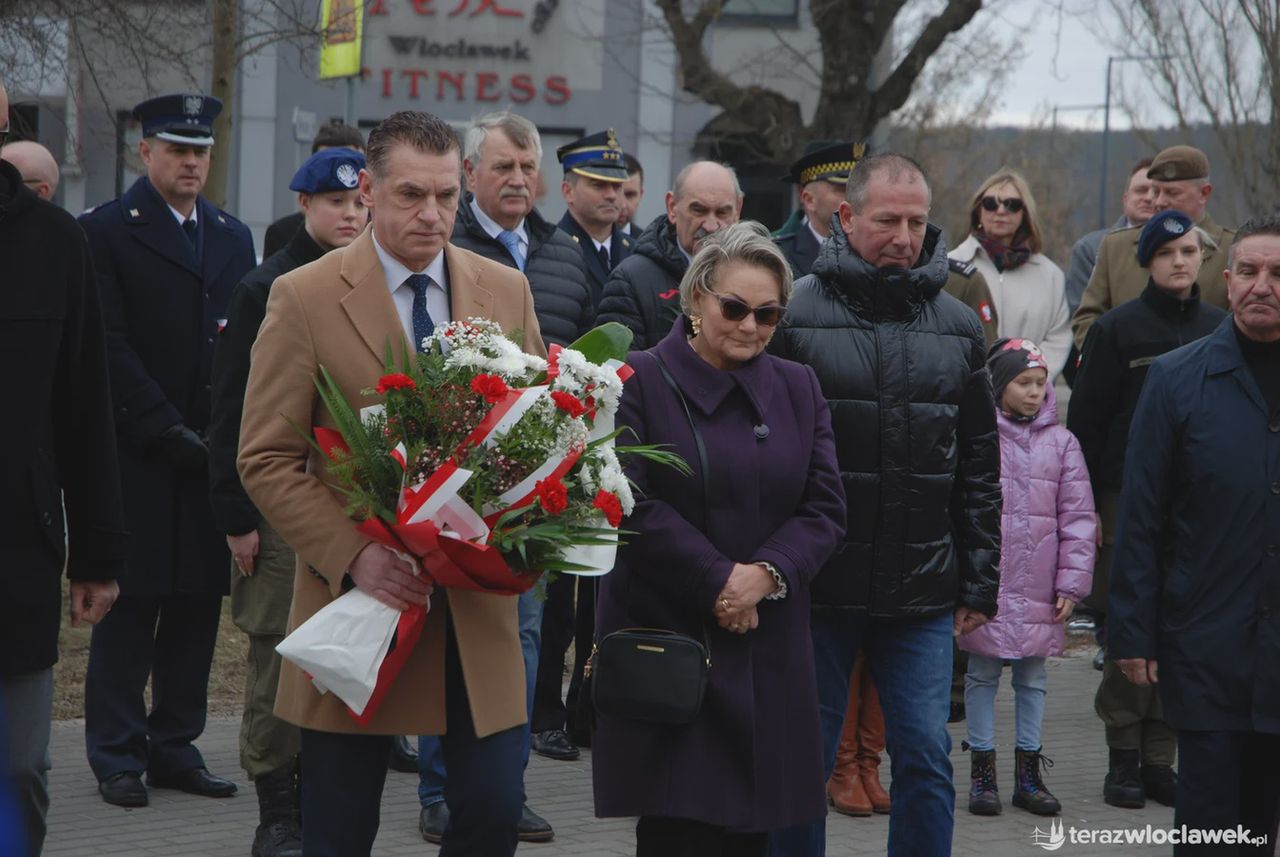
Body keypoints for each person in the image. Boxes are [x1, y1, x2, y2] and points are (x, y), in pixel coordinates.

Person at [237, 110, 544, 857]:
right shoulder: (304, 295)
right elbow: (266, 455)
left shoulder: (505, 289)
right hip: (362, 607)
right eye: (410, 195)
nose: (432, 214)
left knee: (493, 814)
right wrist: (354, 555)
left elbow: (538, 430)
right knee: (340, 829)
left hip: (475, 606)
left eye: (445, 195)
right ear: (368, 193)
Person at [769, 152, 1002, 856]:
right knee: (801, 757)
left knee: (926, 755)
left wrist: (981, 580)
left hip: (921, 588)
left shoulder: (959, 324)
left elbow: (980, 465)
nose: (904, 238)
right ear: (846, 216)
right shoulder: (794, 312)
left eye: (917, 222)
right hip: (818, 586)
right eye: (887, 221)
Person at [592, 221, 846, 856]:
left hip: (767, 639)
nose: (750, 326)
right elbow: (628, 500)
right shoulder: (636, 379)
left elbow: (825, 507)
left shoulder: (798, 386)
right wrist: (719, 581)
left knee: (752, 831)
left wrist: (765, 575)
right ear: (696, 298)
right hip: (671, 637)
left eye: (768, 314)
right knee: (679, 830)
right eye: (734, 308)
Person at [80, 92, 255, 809]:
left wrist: (220, 433)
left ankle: (175, 745)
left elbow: (238, 344)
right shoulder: (104, 231)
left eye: (200, 151)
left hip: (208, 450)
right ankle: (117, 752)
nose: (190, 163)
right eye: (177, 150)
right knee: (132, 607)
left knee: (195, 607)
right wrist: (164, 429)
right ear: (144, 151)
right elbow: (108, 345)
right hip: (139, 452)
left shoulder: (231, 235)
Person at [417, 108, 581, 844]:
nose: (518, 179)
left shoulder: (560, 253)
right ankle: (438, 789)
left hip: (527, 490)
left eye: (527, 167)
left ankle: (502, 788)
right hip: (449, 486)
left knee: (524, 637)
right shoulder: (444, 245)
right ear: (470, 174)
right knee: (444, 639)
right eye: (502, 166)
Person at [207, 147, 368, 857]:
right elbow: (230, 412)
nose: (351, 215)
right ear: (304, 205)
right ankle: (276, 808)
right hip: (276, 510)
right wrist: (236, 516)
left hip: (353, 510)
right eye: (336, 203)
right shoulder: (266, 287)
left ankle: (318, 796)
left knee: (343, 653)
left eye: (360, 203)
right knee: (279, 654)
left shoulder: (371, 283)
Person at [1108, 214, 1280, 854]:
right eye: (1250, 271)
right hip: (1206, 640)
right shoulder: (1177, 378)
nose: (1262, 285)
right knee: (1211, 826)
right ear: (1227, 281)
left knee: (1260, 823)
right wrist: (1132, 630)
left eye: (1278, 273)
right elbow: (1142, 513)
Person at [0, 80, 127, 857]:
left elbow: (85, 402)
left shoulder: (53, 241)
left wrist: (99, 554)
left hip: (15, 554)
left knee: (17, 769)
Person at [1068, 209, 1227, 811]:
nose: (1179, 262)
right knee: (1128, 621)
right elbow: (1086, 424)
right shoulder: (1117, 330)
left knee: (1181, 625)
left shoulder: (1220, 329)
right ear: (1147, 262)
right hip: (1123, 497)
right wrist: (1086, 506)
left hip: (1196, 501)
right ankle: (1123, 758)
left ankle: (1161, 758)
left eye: (1189, 252)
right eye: (1166, 253)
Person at [960, 338, 1096, 818]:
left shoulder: (1062, 444)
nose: (1035, 392)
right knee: (981, 673)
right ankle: (982, 773)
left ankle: (1029, 773)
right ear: (999, 386)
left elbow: (1078, 519)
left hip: (1039, 583)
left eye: (1041, 383)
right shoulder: (981, 439)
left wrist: (1071, 584)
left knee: (1033, 677)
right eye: (1023, 383)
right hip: (990, 584)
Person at [1072, 145, 1235, 348]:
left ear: (1204, 193)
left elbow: (1241, 325)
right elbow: (1087, 319)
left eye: (1172, 193)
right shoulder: (1115, 247)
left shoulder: (1232, 249)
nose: (1158, 201)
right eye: (1156, 191)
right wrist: (1111, 358)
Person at [596, 161, 744, 351]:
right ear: (672, 207)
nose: (710, 225)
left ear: (738, 209)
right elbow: (618, 364)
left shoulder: (759, 278)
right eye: (698, 210)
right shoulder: (630, 281)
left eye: (722, 212)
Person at [949, 168, 1072, 376]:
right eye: (990, 203)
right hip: (965, 386)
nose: (1000, 211)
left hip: (1029, 389)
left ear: (1025, 213)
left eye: (1012, 204)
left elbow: (1058, 339)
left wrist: (1026, 379)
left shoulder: (1051, 275)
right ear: (978, 210)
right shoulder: (951, 266)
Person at [1064, 158, 1155, 316]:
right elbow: (1081, 316)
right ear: (1125, 200)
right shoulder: (1089, 249)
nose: (1149, 198)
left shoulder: (1186, 248)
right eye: (1141, 190)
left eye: (1156, 192)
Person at [262, 122, 366, 259]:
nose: (350, 214)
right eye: (337, 201)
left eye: (352, 160)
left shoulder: (378, 235)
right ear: (305, 202)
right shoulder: (283, 232)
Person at [556, 129, 632, 308]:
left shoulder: (634, 250)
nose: (611, 195)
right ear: (568, 191)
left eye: (617, 186)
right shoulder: (552, 250)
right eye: (598, 185)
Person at [775, 141, 863, 278]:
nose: (854, 198)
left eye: (858, 190)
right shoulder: (779, 258)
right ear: (809, 200)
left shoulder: (877, 252)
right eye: (843, 190)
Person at [617, 153, 644, 235]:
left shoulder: (647, 242)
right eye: (616, 193)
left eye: (629, 195)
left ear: (640, 195)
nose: (623, 205)